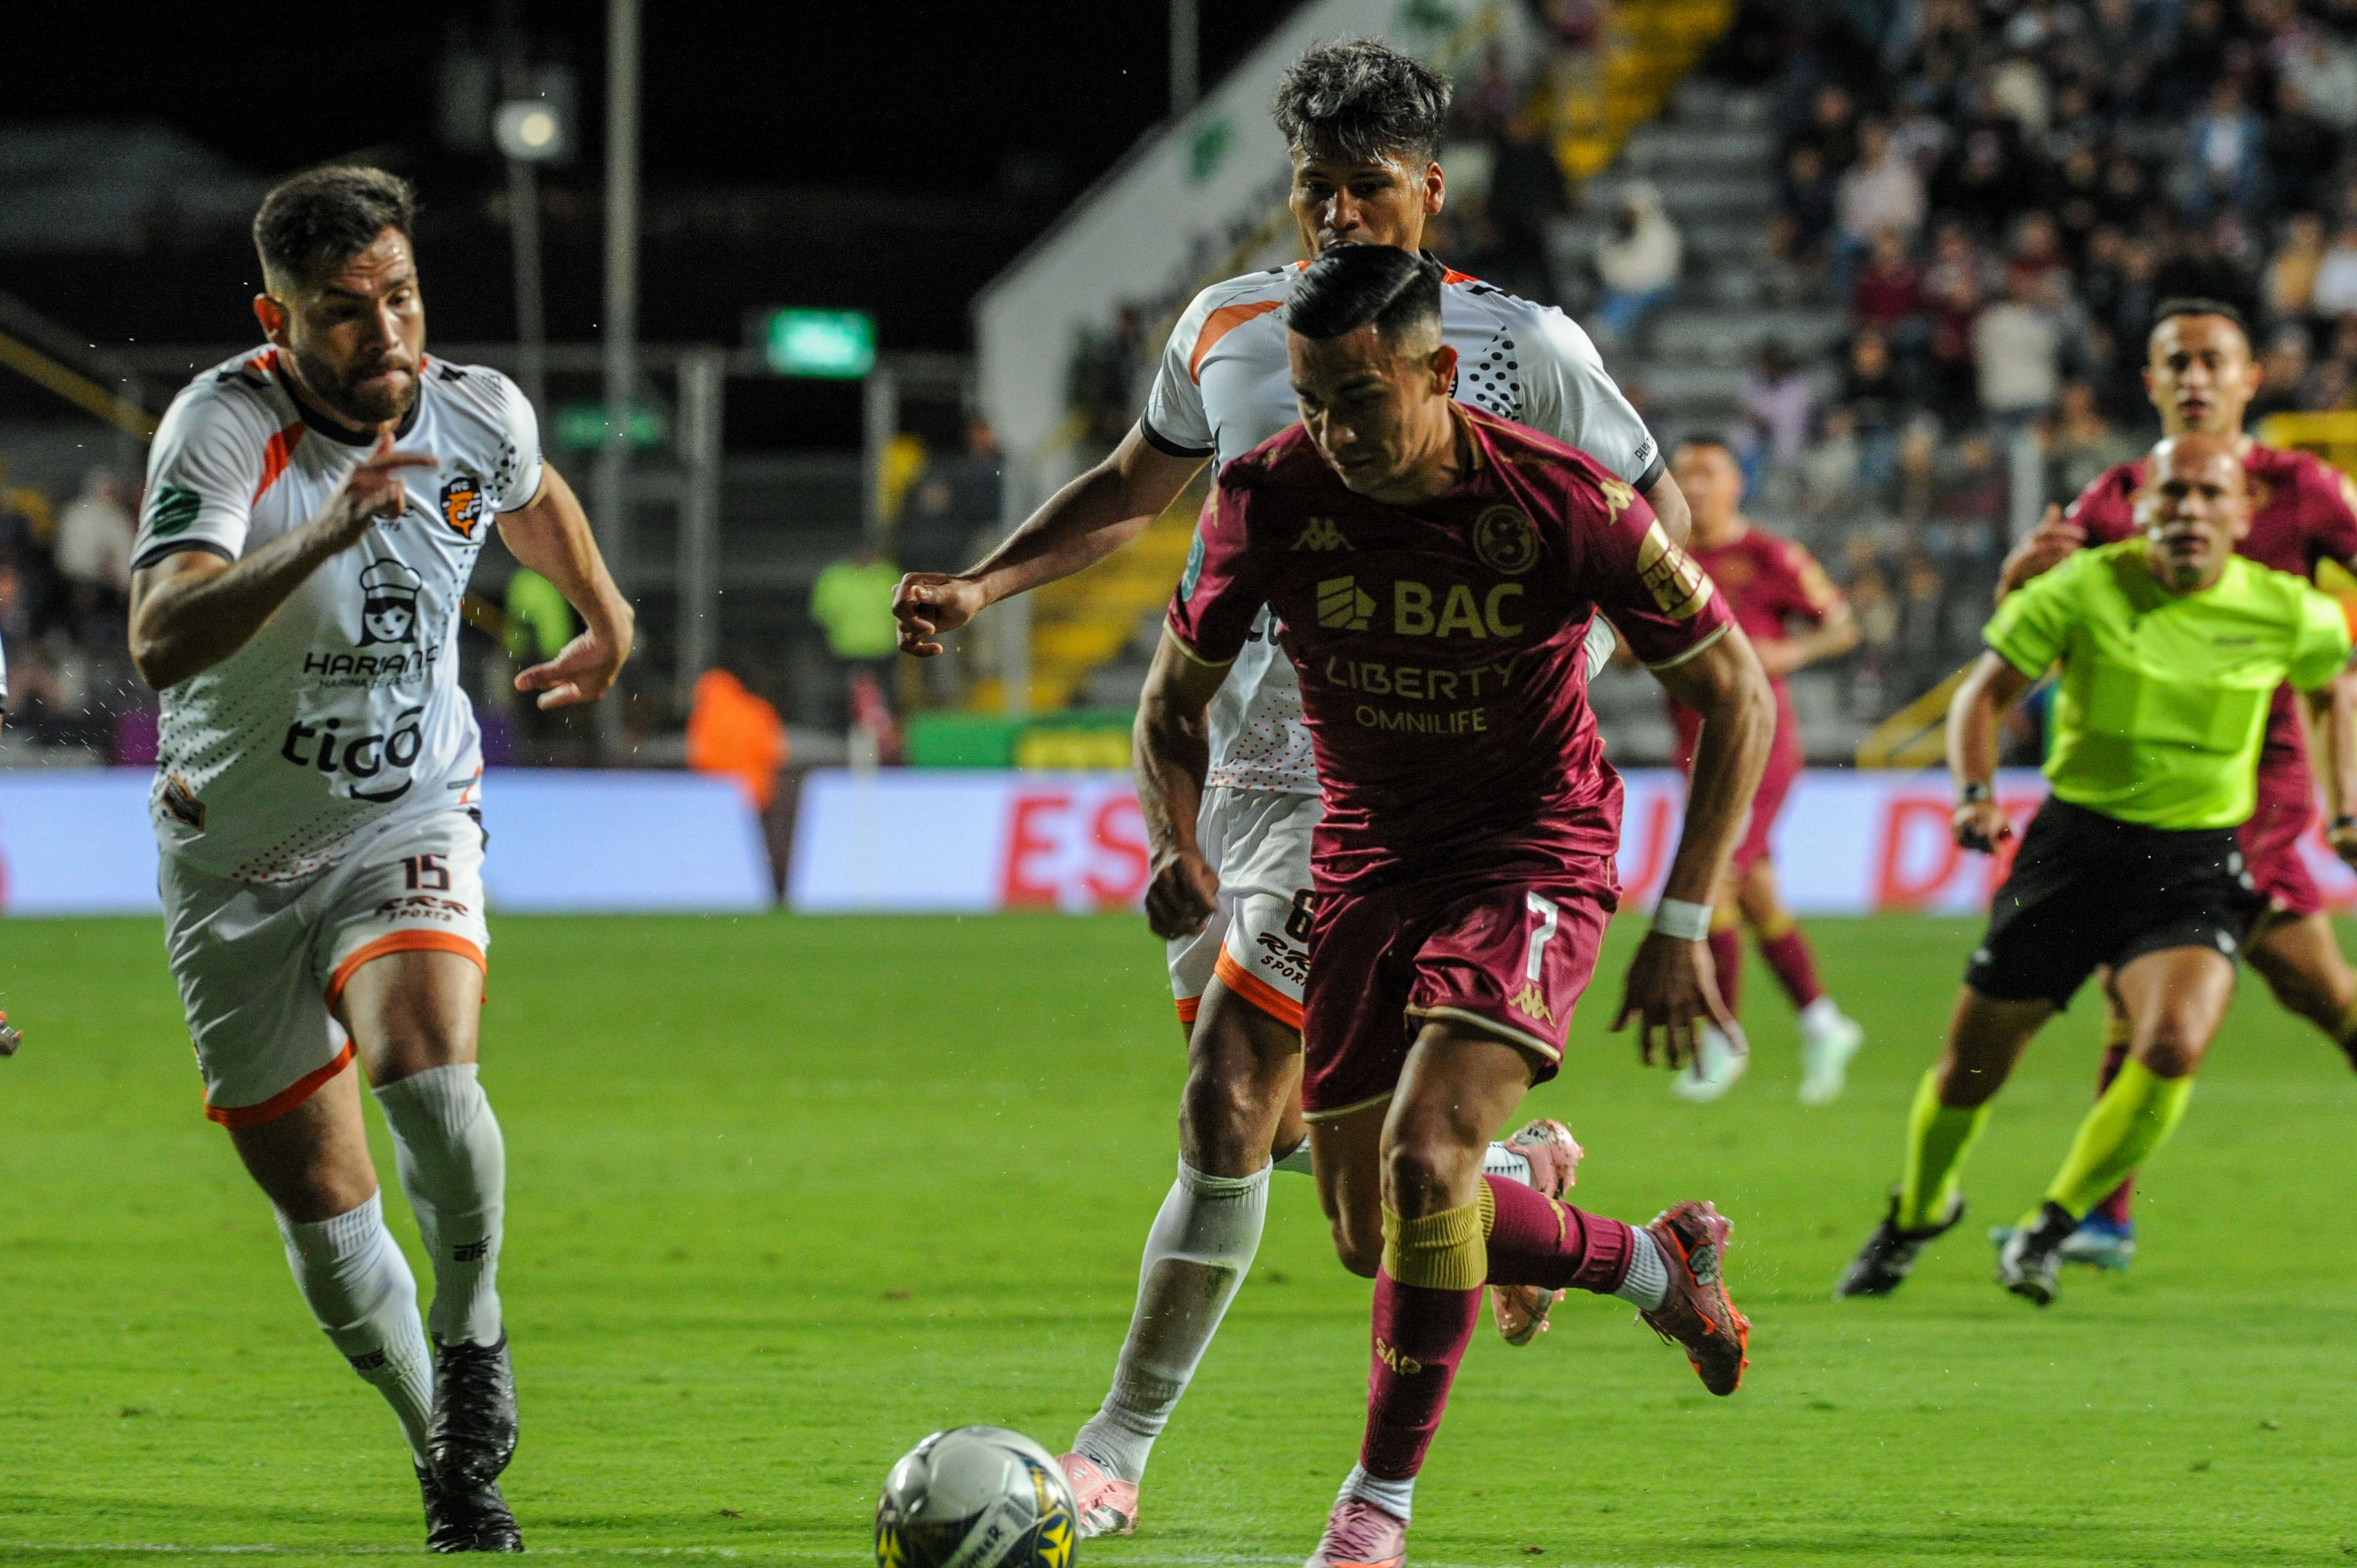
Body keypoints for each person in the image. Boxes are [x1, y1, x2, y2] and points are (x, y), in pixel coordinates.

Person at [891, 38, 1695, 1542]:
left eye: (1366, 189)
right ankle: (1574, 1218)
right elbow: (1138, 487)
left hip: (1390, 775)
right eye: (1313, 189)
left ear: (1430, 192)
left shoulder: (1520, 347)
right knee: (1308, 1175)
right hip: (1252, 764)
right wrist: (988, 583)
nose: (1335, 215)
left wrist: (1531, 659)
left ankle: (1116, 1454)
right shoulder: (1229, 325)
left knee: (1221, 1106)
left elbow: (1655, 514)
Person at [1150, 244, 1771, 1565]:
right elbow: (1170, 701)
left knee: (1428, 1160)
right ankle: (1652, 1259)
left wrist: (1683, 919)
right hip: (1362, 864)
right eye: (1314, 401)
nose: (1335, 432)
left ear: (1439, 371)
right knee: (1380, 1228)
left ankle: (1373, 1513)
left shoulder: (1562, 500)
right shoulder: (1268, 494)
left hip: (1527, 852)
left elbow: (1738, 693)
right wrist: (1177, 842)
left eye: (1362, 401)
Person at [124, 166, 632, 1551]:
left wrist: (602, 605)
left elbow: (530, 490)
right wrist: (331, 532)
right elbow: (161, 639)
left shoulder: (476, 407)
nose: (384, 333)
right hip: (230, 864)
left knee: (430, 1069)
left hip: (404, 811)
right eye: (343, 312)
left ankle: (474, 1334)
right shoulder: (224, 430)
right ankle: (446, 1459)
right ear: (274, 319)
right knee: (325, 1203)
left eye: (399, 296)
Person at [1836, 432, 2355, 1308]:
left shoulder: (2290, 612)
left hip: (2194, 862)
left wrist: (2343, 807)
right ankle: (1920, 1211)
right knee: (1972, 1065)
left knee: (2174, 1041)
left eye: (2208, 496)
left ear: (2242, 515)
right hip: (2075, 853)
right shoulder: (2085, 586)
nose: (2189, 510)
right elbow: (1983, 693)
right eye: (2172, 494)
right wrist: (1973, 792)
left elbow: (2331, 687)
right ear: (2143, 507)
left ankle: (2055, 1223)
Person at [1996, 298, 2357, 1268]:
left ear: (2250, 380)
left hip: (2254, 788)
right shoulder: (2115, 497)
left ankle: (2101, 1214)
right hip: (2141, 785)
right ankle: (2103, 1217)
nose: (2195, 378)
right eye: (2176, 363)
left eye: (2213, 362)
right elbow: (2025, 628)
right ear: (2151, 382)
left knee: (2309, 990)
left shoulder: (2306, 489)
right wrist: (2015, 576)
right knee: (2157, 990)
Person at [1658, 437, 1865, 1104]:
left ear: (1734, 485)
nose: (1691, 485)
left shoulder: (1768, 556)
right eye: (1682, 473)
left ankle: (1721, 1036)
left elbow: (1839, 627)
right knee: (1755, 891)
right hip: (1693, 744)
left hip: (1757, 743)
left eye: (1706, 473)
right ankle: (1821, 1020)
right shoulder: (1662, 557)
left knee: (1714, 876)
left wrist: (1782, 654)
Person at [810, 543, 901, 728]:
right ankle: (851, 730)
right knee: (852, 696)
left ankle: (884, 736)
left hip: (876, 650)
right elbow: (821, 611)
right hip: (850, 649)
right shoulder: (837, 577)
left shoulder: (886, 575)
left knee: (884, 697)